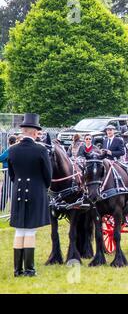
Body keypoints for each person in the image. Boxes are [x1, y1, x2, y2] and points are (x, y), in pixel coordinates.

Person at [8, 113, 52, 277]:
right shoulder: (41, 150)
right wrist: (43, 187)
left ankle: (17, 270)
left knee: (19, 231)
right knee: (30, 231)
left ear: (24, 131)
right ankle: (30, 270)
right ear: (34, 132)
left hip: (18, 190)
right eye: (38, 132)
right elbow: (48, 175)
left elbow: (12, 175)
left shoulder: (12, 150)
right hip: (35, 191)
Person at [0, 135, 17, 211]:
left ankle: (8, 208)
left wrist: (4, 160)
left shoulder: (9, 150)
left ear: (8, 141)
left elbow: (1, 158)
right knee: (7, 190)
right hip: (15, 172)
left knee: (7, 190)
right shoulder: (16, 149)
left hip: (9, 173)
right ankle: (2, 207)